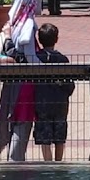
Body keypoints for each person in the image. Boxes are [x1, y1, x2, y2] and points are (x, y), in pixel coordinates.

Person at [0, 0, 43, 162]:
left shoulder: (14, 24)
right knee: (22, 119)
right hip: (25, 83)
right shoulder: (28, 24)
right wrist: (46, 68)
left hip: (12, 80)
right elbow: (26, 56)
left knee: (8, 115)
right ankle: (16, 162)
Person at [33, 23, 74, 161]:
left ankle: (48, 162)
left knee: (45, 138)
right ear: (56, 39)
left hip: (42, 103)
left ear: (39, 39)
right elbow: (70, 86)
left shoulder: (36, 58)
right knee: (60, 136)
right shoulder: (63, 59)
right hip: (60, 104)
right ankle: (59, 162)